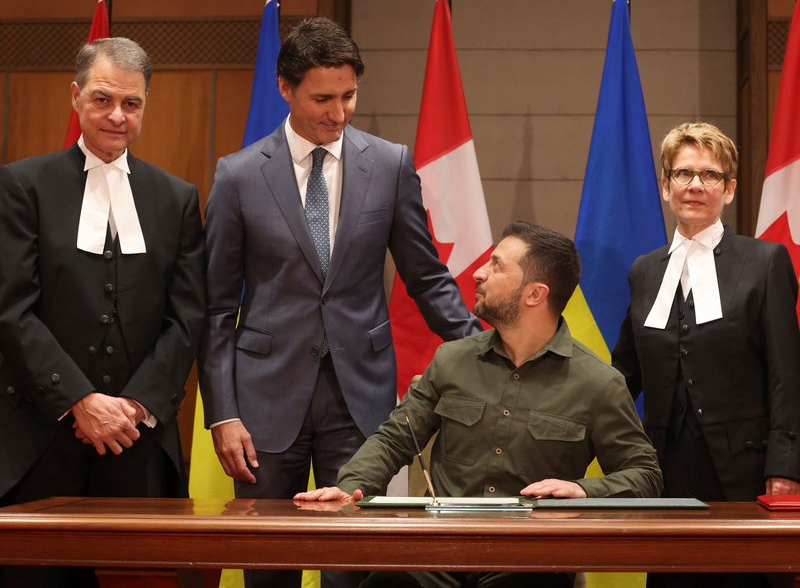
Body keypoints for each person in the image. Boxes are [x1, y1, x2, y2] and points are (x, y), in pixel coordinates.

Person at [198, 17, 482, 588]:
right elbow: (216, 310)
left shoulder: (391, 164)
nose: (339, 113)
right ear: (286, 88)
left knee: (353, 566)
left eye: (349, 96)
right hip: (263, 404)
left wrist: (484, 350)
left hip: (360, 398)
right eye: (322, 99)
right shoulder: (239, 175)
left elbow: (426, 278)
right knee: (268, 568)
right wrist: (223, 413)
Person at [296, 222, 663, 588]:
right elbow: (394, 439)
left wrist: (584, 491)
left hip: (531, 559)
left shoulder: (598, 383)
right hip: (437, 552)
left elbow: (645, 475)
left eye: (497, 266)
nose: (479, 273)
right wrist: (353, 486)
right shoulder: (451, 360)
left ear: (535, 294)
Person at [0, 37, 205, 587]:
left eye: (131, 103)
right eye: (102, 99)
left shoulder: (177, 198)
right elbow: (11, 309)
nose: (117, 115)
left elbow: (188, 317)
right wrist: (79, 400)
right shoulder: (22, 185)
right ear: (76, 97)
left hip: (137, 442)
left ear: (145, 105)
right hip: (39, 439)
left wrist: (134, 406)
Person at [612, 122, 800, 588]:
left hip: (747, 474)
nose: (695, 185)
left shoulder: (765, 262)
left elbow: (787, 376)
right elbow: (622, 375)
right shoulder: (644, 271)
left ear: (729, 189)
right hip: (665, 473)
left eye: (710, 175)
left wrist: (785, 468)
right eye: (683, 173)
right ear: (665, 186)